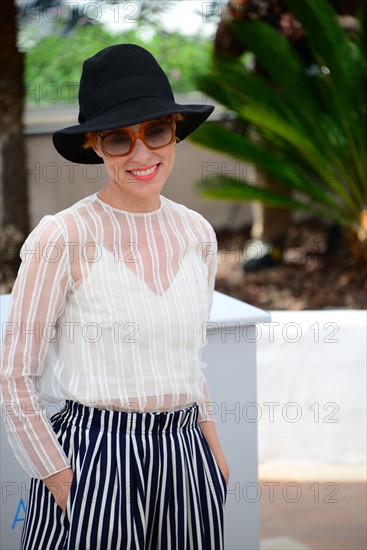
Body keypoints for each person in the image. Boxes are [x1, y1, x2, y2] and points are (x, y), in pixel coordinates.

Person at [0, 44, 228, 550]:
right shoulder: (63, 237)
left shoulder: (198, 234)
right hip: (94, 460)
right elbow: (15, 378)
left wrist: (213, 454)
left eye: (156, 131)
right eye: (118, 139)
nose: (142, 154)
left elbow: (191, 359)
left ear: (174, 128)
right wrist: (63, 482)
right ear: (94, 146)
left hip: (188, 459)